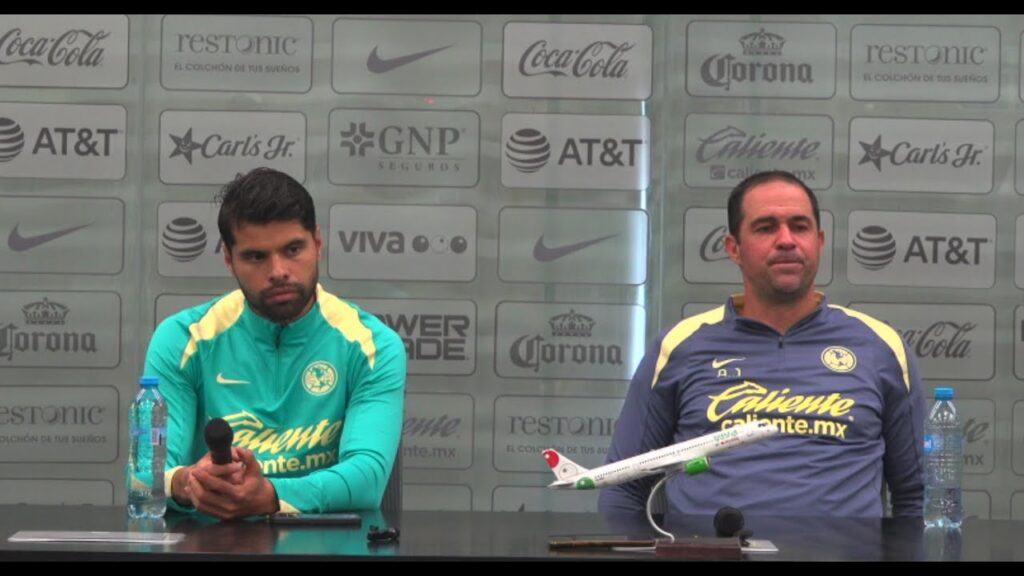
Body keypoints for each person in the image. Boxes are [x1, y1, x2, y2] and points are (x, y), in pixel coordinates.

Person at [599, 170, 925, 518]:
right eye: (766, 227)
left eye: (799, 226)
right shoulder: (680, 346)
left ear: (820, 241)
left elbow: (918, 495)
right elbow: (623, 488)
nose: (786, 240)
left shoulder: (880, 347)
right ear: (734, 248)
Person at [144, 167, 406, 520]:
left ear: (317, 242)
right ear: (228, 259)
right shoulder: (182, 339)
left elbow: (367, 479)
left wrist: (270, 496)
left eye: (293, 248)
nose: (279, 270)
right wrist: (187, 484)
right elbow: (146, 475)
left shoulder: (373, 346)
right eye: (256, 256)